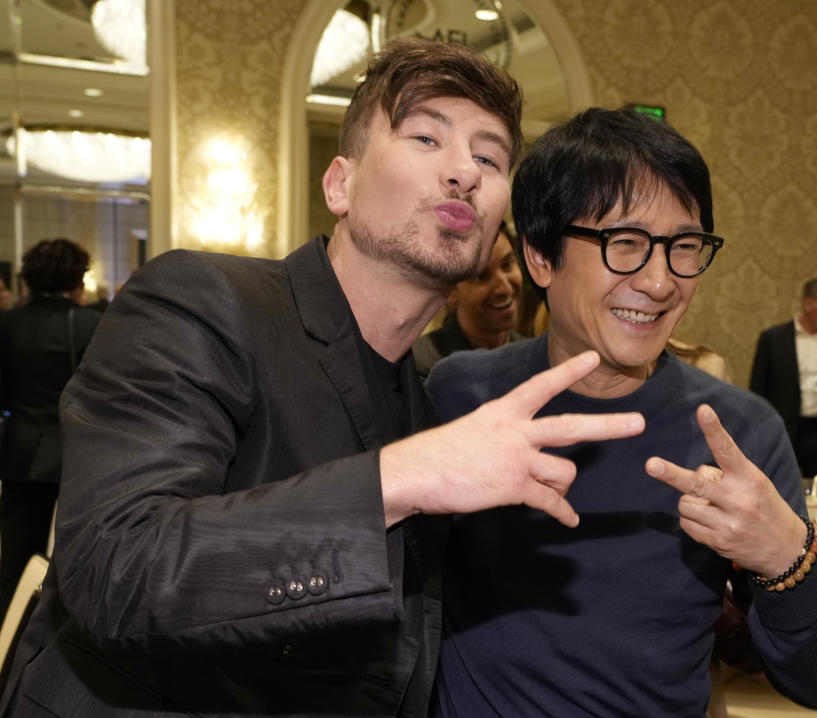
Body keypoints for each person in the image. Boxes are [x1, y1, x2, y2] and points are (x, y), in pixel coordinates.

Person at [0, 40, 645, 717]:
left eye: (489, 157)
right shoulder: (205, 299)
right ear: (339, 184)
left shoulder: (431, 395)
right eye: (426, 137)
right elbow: (115, 565)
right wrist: (397, 480)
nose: (464, 171)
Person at [425, 107, 817, 717]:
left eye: (684, 246)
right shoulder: (461, 394)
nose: (660, 282)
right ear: (540, 257)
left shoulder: (741, 432)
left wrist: (788, 553)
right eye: (624, 243)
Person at [0, 239, 100, 617]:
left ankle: (8, 639)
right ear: (77, 276)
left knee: (14, 557)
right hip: (78, 452)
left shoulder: (7, 323)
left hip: (22, 452)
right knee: (75, 553)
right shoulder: (93, 323)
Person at [749, 278, 817, 479]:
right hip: (783, 427)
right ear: (808, 304)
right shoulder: (773, 338)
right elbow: (757, 389)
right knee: (779, 487)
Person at [412, 221, 524, 378]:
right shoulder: (425, 365)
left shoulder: (531, 357)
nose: (505, 288)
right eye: (482, 276)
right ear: (451, 291)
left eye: (507, 265)